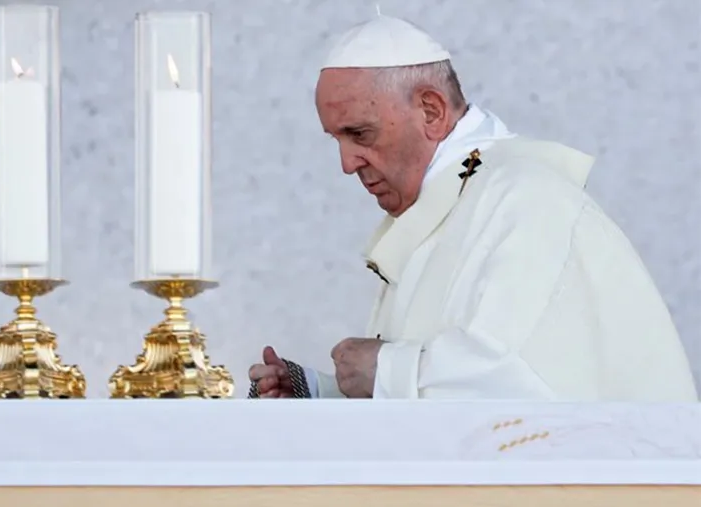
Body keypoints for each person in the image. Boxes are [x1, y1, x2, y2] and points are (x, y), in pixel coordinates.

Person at [248, 15, 698, 401]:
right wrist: (322, 392)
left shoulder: (526, 199)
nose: (347, 164)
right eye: (337, 140)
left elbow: (524, 385)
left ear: (431, 110)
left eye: (360, 134)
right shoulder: (447, 211)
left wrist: (386, 372)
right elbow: (445, 402)